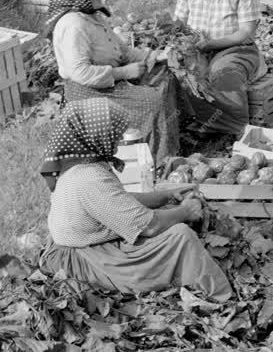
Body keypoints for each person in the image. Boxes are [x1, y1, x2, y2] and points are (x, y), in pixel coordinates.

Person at [39, 98, 231, 300]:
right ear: (97, 135)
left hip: (82, 246)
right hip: (87, 261)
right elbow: (150, 227)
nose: (120, 137)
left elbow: (118, 201)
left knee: (170, 210)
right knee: (180, 235)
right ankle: (220, 298)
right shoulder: (89, 178)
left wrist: (164, 196)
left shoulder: (77, 163)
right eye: (114, 131)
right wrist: (187, 211)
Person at [46, 0, 179, 166]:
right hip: (87, 91)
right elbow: (80, 73)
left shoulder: (93, 16)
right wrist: (123, 72)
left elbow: (123, 51)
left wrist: (154, 56)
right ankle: (155, 162)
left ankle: (169, 144)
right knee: (153, 101)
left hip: (108, 82)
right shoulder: (73, 25)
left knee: (165, 77)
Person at [174, 0, 264, 136]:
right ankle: (197, 122)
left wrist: (212, 44)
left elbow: (246, 32)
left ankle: (234, 127)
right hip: (197, 48)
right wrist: (175, 36)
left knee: (223, 73)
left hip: (234, 48)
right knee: (182, 76)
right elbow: (179, 20)